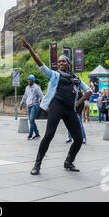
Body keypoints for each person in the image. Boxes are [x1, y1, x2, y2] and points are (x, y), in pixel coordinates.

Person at [21, 38, 92, 175]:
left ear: (68, 64)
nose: (60, 63)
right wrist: (30, 48)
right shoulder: (54, 75)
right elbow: (41, 65)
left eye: (63, 61)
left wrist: (78, 103)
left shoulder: (75, 78)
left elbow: (89, 91)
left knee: (78, 138)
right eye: (59, 61)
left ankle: (69, 162)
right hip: (57, 106)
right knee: (49, 135)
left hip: (69, 109)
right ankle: (37, 164)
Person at [20, 75, 44, 140]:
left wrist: (45, 104)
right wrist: (21, 104)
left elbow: (41, 96)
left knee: (31, 120)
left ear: (33, 80)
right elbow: (25, 96)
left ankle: (31, 135)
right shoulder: (27, 88)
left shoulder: (36, 88)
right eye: (28, 80)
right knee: (31, 121)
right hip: (29, 106)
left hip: (35, 105)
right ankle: (36, 135)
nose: (29, 81)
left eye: (30, 80)